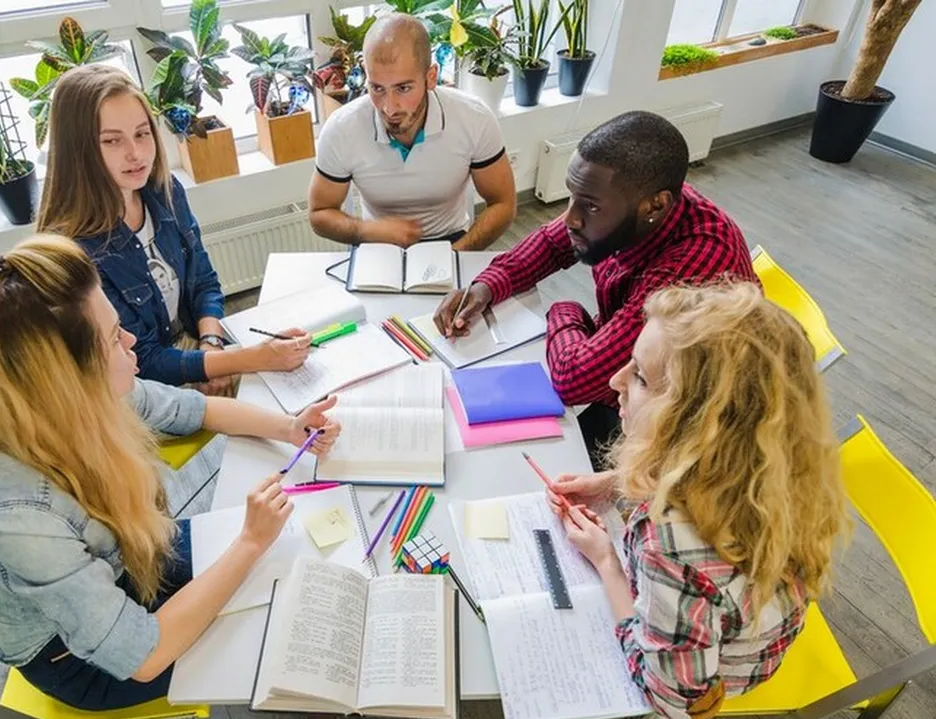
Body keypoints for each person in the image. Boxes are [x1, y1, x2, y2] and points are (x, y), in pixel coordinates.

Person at [0, 235, 340, 710]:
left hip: (128, 563)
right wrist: (249, 543)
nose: (130, 341)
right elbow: (142, 653)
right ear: (65, 376)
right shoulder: (11, 515)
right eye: (113, 337)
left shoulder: (67, 398)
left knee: (278, 567)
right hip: (78, 660)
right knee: (273, 623)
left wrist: (291, 428)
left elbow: (191, 409)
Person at [545, 282, 848, 719]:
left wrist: (606, 561)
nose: (615, 382)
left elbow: (676, 698)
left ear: (700, 421)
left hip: (718, 673)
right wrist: (612, 485)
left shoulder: (668, 541)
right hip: (759, 613)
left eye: (641, 378)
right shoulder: (770, 458)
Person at [433, 111, 756, 451]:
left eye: (589, 206)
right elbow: (550, 244)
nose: (571, 218)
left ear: (655, 206)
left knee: (536, 452)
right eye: (571, 196)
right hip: (635, 387)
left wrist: (564, 310)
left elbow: (574, 379)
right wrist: (486, 286)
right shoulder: (639, 200)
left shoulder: (688, 274)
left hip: (689, 433)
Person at [37, 64, 310, 397]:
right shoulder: (72, 250)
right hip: (139, 389)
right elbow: (143, 360)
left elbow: (204, 280)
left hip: (191, 347)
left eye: (142, 133)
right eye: (111, 141)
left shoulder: (165, 191)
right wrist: (246, 359)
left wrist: (211, 344)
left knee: (298, 375)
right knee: (277, 390)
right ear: (77, 152)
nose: (135, 154)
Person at [308, 13, 516, 252]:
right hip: (376, 243)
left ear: (431, 77)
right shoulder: (342, 128)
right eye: (377, 88)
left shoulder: (474, 118)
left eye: (403, 88)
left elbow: (503, 203)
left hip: (453, 241)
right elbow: (319, 213)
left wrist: (455, 256)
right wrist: (367, 230)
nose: (389, 107)